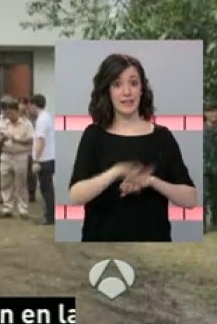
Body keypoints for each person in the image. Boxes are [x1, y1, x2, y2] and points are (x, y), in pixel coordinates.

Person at [68, 54, 198, 242]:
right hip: (102, 244)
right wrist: (116, 171)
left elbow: (190, 199)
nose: (127, 92)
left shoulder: (162, 137)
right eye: (117, 84)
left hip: (153, 245)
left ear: (142, 89)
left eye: (133, 83)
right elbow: (76, 196)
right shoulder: (94, 135)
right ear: (107, 91)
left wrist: (152, 182)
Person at [0, 98, 34, 219]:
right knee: (5, 182)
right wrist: (2, 138)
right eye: (7, 113)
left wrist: (16, 138)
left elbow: (31, 139)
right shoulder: (3, 123)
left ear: (17, 111)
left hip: (20, 155)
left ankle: (23, 209)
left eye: (11, 113)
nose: (9, 115)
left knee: (20, 183)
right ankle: (7, 208)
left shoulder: (26, 124)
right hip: (6, 155)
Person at [30, 94, 55, 225]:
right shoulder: (47, 117)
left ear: (34, 105)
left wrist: (36, 160)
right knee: (48, 188)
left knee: (46, 189)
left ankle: (49, 216)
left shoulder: (41, 120)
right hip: (49, 158)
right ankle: (50, 214)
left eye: (31, 106)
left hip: (44, 159)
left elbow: (41, 141)